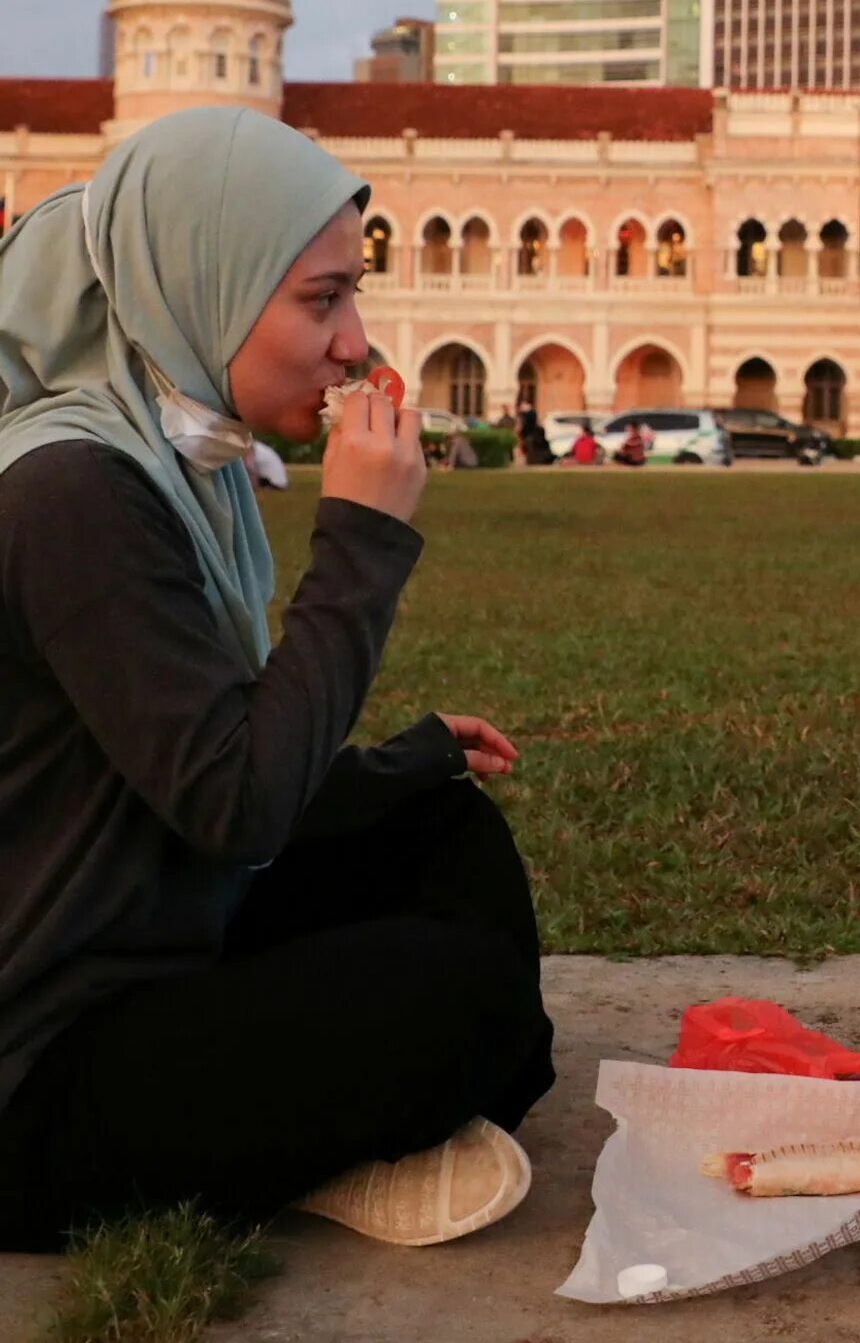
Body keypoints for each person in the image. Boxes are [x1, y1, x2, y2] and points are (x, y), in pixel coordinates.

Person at [0, 106, 554, 1253]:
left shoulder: (166, 459)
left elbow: (192, 765)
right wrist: (360, 540)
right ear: (194, 289)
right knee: (457, 996)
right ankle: (327, 1142)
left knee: (442, 833)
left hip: (160, 925)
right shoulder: (73, 493)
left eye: (352, 294)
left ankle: (337, 1127)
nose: (357, 342)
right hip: (42, 1067)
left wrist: (401, 765)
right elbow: (235, 804)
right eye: (320, 300)